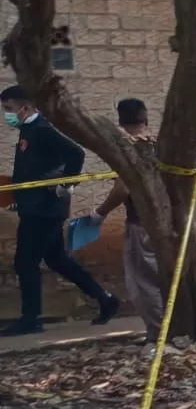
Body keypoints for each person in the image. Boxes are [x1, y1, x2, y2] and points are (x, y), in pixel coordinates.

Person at [0, 85, 120, 336]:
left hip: (44, 210)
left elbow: (75, 153)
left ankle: (31, 318)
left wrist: (67, 184)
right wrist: (19, 197)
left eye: (9, 109)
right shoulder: (28, 130)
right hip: (33, 207)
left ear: (26, 106)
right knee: (57, 260)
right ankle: (105, 298)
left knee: (25, 263)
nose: (7, 114)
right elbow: (32, 171)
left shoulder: (43, 129)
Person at [93, 99, 164, 342]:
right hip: (171, 224)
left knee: (144, 284)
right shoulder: (160, 145)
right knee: (165, 280)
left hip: (141, 224)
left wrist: (99, 213)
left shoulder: (127, 148)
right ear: (145, 119)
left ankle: (158, 334)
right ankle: (173, 329)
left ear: (120, 123)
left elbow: (122, 189)